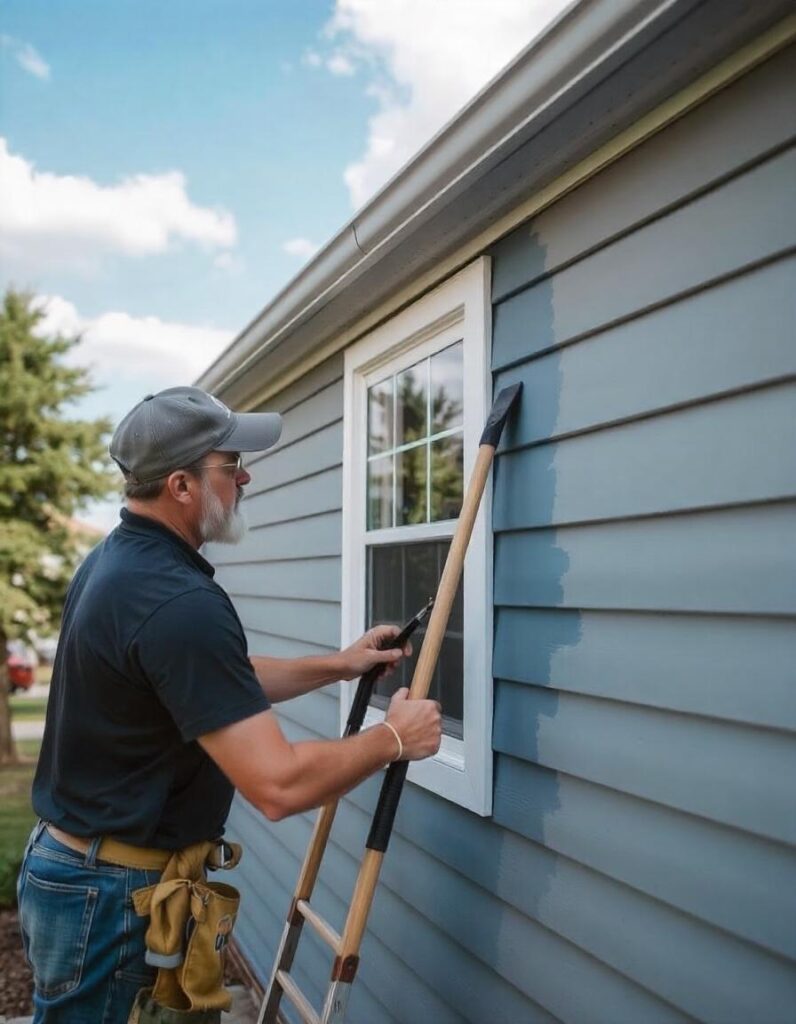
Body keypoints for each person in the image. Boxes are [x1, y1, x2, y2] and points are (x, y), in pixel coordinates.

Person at [17, 386, 442, 1023]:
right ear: (182, 485)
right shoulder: (175, 601)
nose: (246, 475)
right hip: (111, 898)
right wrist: (395, 739)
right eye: (230, 464)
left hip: (90, 871)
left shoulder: (121, 561)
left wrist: (340, 663)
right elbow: (276, 784)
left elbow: (210, 681)